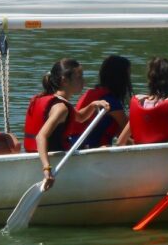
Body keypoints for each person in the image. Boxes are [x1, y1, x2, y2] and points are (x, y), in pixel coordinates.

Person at [23, 58, 110, 191]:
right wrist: (47, 169)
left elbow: (80, 117)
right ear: (64, 80)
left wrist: (93, 105)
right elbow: (41, 137)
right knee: (104, 149)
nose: (83, 81)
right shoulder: (61, 108)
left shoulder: (54, 101)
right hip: (49, 162)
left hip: (32, 155)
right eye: (79, 77)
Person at [117, 57, 168, 193]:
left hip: (140, 170)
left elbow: (120, 142)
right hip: (163, 170)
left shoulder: (139, 107)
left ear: (149, 80)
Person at [71, 54, 132, 148]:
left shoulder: (91, 93)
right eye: (128, 75)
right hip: (90, 147)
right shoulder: (110, 101)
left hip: (74, 143)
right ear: (121, 78)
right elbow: (130, 129)